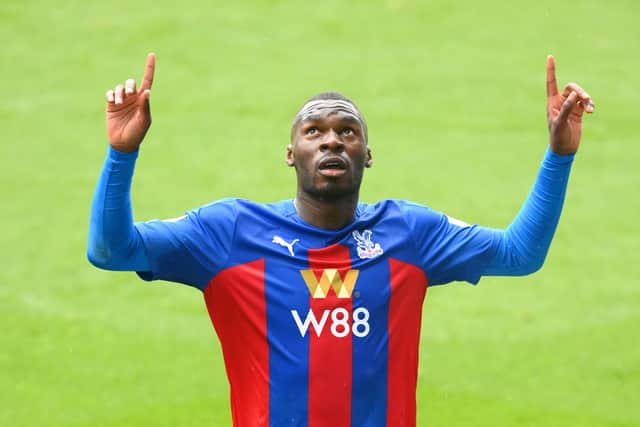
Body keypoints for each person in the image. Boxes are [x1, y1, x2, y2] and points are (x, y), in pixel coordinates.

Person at [88, 53, 594, 427]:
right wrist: (121, 154)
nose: (332, 139)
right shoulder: (229, 233)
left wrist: (559, 155)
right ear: (291, 154)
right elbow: (111, 251)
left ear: (368, 155)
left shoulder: (410, 234)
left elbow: (519, 254)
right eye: (314, 131)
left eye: (347, 131)